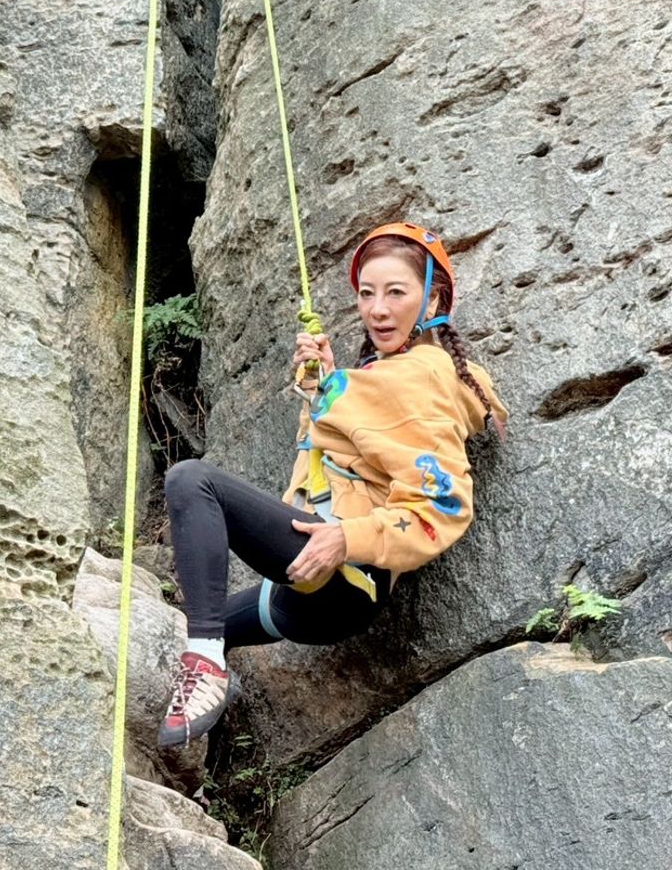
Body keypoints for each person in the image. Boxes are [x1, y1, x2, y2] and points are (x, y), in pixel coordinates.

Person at [158, 221, 508, 748]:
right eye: (367, 294)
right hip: (305, 596)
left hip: (343, 576)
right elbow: (334, 462)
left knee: (192, 481)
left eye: (396, 292)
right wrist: (323, 387)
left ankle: (205, 666)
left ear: (432, 298)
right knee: (202, 626)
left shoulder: (424, 377)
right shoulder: (377, 379)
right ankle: (199, 723)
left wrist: (347, 538)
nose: (378, 309)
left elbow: (443, 504)